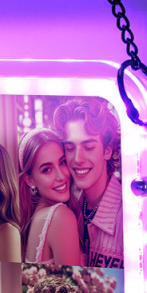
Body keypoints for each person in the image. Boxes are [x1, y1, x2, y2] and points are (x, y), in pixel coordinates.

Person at [53, 98, 123, 269]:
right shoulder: (69, 211)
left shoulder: (128, 216)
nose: (78, 159)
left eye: (89, 147)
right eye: (70, 148)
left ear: (107, 151)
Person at [18, 128, 82, 266]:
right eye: (47, 170)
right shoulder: (60, 216)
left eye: (62, 162)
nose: (61, 176)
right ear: (30, 180)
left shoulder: (35, 217)